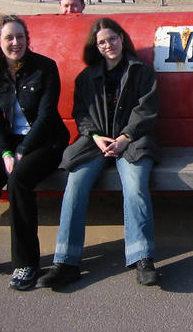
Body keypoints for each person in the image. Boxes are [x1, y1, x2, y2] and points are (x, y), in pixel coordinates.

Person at [37, 18, 159, 288]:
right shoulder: (86, 77)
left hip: (133, 142)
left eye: (112, 39)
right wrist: (95, 136)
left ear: (121, 38)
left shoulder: (141, 71)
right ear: (96, 46)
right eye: (102, 42)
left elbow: (147, 110)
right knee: (74, 185)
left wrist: (126, 137)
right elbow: (80, 112)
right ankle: (66, 262)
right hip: (96, 143)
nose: (108, 45)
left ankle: (142, 258)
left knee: (136, 187)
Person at [0, 16, 69, 290]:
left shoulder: (45, 68)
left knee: (19, 182)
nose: (16, 42)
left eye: (20, 36)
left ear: (27, 38)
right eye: (9, 37)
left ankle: (26, 262)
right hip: (8, 142)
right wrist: (5, 151)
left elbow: (45, 116)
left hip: (44, 142)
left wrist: (23, 150)